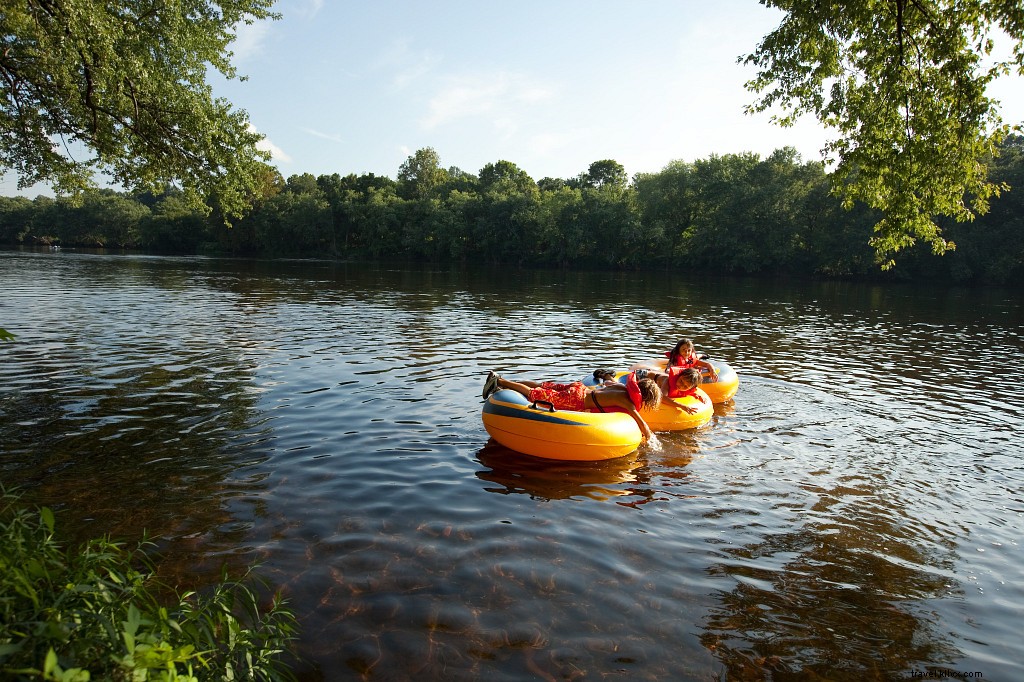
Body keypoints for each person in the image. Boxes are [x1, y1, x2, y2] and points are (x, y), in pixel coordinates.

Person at [482, 370, 661, 442]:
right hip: (576, 399)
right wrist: (652, 439)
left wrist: (606, 375)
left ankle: (503, 384)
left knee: (542, 386)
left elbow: (607, 382)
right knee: (534, 394)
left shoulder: (621, 387)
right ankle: (499, 381)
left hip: (580, 388)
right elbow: (642, 424)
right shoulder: (627, 401)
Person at [634, 367, 707, 415]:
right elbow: (662, 398)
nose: (681, 386)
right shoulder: (668, 382)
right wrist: (681, 406)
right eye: (681, 381)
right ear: (679, 376)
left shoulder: (687, 387)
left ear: (690, 388)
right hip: (643, 376)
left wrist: (697, 396)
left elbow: (687, 393)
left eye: (685, 386)